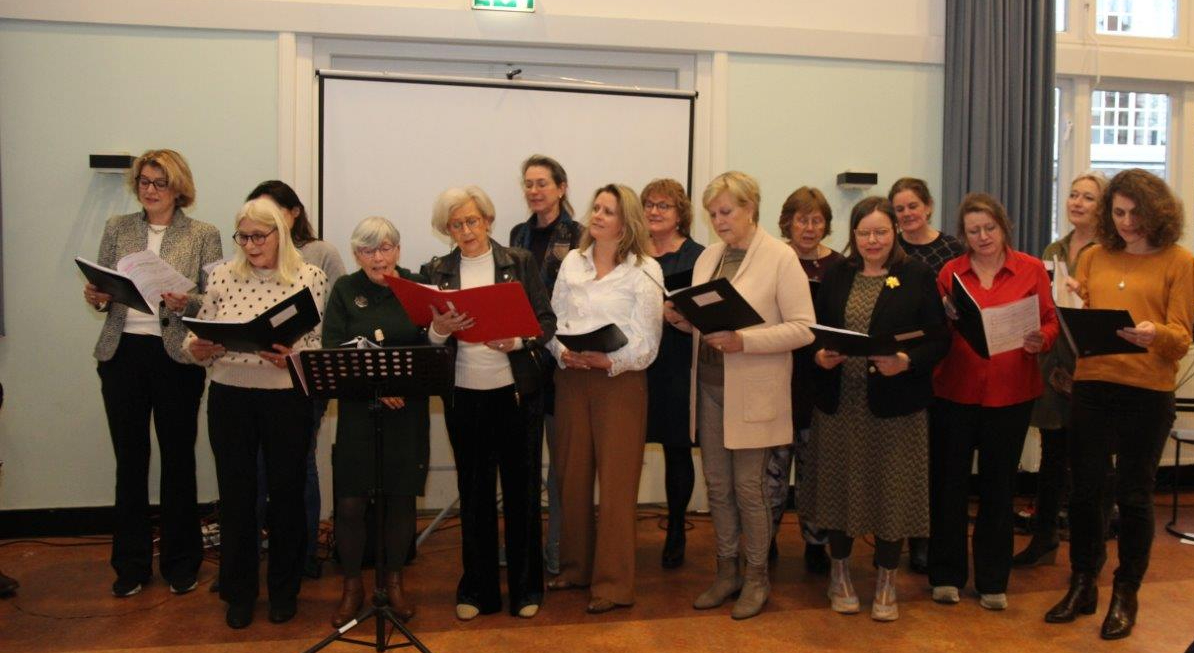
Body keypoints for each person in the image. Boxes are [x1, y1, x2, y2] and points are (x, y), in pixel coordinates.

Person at [1044, 169, 1193, 640]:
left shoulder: (1179, 261)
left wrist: (1154, 334)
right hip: (1093, 384)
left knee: (1133, 495)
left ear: (1158, 212)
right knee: (1086, 490)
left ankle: (1125, 592)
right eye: (1119, 212)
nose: (1127, 223)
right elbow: (1082, 318)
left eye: (1136, 213)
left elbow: (1181, 338)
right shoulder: (1094, 256)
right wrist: (1070, 304)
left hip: (1147, 391)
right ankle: (1083, 582)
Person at [665, 171, 815, 620]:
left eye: (726, 212)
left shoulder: (780, 257)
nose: (718, 221)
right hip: (709, 387)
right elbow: (710, 320)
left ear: (751, 208)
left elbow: (803, 328)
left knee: (748, 488)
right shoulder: (710, 255)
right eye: (712, 214)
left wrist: (745, 341)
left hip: (753, 391)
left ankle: (756, 578)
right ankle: (725, 572)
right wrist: (683, 319)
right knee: (717, 485)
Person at [799, 196, 948, 621]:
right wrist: (820, 355)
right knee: (840, 490)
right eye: (864, 233)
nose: (872, 240)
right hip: (840, 405)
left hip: (896, 408)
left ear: (895, 232)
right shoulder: (837, 274)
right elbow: (814, 331)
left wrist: (906, 361)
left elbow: (939, 339)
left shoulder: (916, 275)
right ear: (853, 236)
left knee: (891, 493)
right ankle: (840, 572)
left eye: (881, 231)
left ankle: (886, 580)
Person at [84, 149, 222, 598]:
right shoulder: (117, 228)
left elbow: (212, 299)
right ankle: (131, 564)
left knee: (178, 460)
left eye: (159, 183)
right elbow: (103, 291)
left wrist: (190, 302)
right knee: (131, 460)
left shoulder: (204, 233)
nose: (149, 190)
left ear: (178, 188)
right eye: (143, 181)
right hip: (123, 353)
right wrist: (97, 296)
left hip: (176, 357)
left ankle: (181, 562)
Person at [185, 198, 327, 629]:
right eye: (242, 237)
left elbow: (317, 344)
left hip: (286, 399)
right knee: (238, 497)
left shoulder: (309, 277)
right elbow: (197, 335)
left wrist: (293, 356)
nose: (249, 245)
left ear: (279, 235)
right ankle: (239, 592)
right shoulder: (223, 276)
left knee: (285, 496)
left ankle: (284, 591)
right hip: (230, 396)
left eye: (258, 236)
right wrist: (197, 349)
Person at [425, 186, 555, 620]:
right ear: (448, 229)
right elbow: (430, 338)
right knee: (474, 494)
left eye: (473, 221)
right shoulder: (438, 270)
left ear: (488, 220)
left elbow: (547, 321)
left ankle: (526, 589)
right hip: (464, 395)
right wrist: (440, 328)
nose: (466, 231)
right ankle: (477, 590)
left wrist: (517, 340)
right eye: (457, 224)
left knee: (521, 495)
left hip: (515, 393)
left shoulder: (518, 262)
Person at [929, 193, 1059, 610]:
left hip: (1012, 393)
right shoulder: (951, 272)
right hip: (956, 390)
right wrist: (945, 320)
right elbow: (936, 332)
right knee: (949, 486)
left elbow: (1050, 319)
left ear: (1004, 227)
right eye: (973, 231)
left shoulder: (1031, 268)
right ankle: (946, 575)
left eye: (989, 228)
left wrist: (1044, 339)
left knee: (998, 488)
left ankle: (992, 581)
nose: (983, 237)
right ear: (963, 235)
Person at [545, 184, 663, 614]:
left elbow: (648, 343)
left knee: (616, 485)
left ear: (624, 221)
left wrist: (604, 361)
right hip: (571, 378)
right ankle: (576, 569)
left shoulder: (645, 269)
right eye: (595, 208)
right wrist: (563, 352)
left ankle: (613, 584)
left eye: (607, 210)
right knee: (570, 477)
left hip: (619, 383)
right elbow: (552, 319)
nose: (596, 216)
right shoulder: (571, 262)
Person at [321, 216, 428, 627]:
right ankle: (352, 587)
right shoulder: (346, 290)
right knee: (349, 502)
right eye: (368, 250)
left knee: (400, 499)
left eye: (385, 247)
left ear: (398, 250)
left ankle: (395, 584)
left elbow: (430, 346)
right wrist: (377, 389)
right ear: (356, 254)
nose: (378, 257)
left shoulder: (416, 286)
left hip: (407, 412)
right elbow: (332, 350)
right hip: (357, 411)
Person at [246, 181, 347, 578]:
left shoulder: (320, 254)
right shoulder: (247, 255)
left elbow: (337, 313)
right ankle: (248, 558)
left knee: (300, 465)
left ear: (293, 214)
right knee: (253, 470)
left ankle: (303, 556)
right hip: (254, 380)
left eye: (271, 215)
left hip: (303, 377)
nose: (260, 229)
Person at [1016, 172, 1108, 567]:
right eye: (1073, 195)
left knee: (1091, 456)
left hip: (1092, 361)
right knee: (1053, 451)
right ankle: (1045, 536)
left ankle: (1093, 545)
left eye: (1087, 197)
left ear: (1101, 206)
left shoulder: (1109, 250)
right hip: (1055, 362)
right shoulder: (1054, 247)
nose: (1077, 202)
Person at [509, 155, 582, 576]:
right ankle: (526, 550)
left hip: (562, 361)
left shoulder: (579, 236)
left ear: (561, 187)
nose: (534, 191)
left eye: (542, 183)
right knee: (523, 461)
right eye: (528, 184)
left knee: (560, 466)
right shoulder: (517, 234)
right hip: (522, 358)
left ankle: (557, 548)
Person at [887, 177, 964, 574]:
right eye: (899, 209)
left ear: (929, 206)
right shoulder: (887, 248)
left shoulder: (952, 248)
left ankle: (924, 540)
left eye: (913, 206)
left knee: (932, 460)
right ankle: (893, 538)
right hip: (898, 366)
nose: (907, 215)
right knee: (901, 461)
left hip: (943, 364)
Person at [766, 186, 842, 573]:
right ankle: (767, 541)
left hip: (823, 380)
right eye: (802, 220)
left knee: (816, 472)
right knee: (773, 473)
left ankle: (816, 543)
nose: (810, 228)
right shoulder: (774, 260)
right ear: (788, 222)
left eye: (817, 220)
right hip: (778, 377)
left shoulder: (841, 266)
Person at [641, 178, 704, 569]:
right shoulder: (631, 255)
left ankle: (677, 527)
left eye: (663, 205)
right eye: (648, 204)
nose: (654, 211)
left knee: (677, 448)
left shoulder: (699, 256)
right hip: (637, 363)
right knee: (627, 446)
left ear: (680, 213)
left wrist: (682, 317)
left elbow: (708, 308)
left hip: (679, 361)